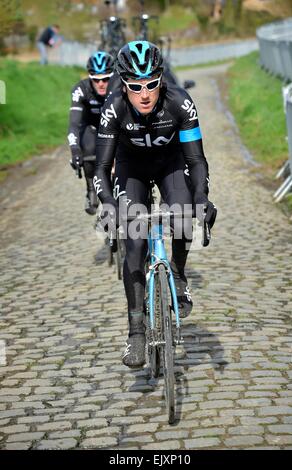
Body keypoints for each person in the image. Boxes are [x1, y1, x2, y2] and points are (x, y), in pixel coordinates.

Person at [94, 41, 217, 367]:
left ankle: (177, 273)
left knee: (183, 213)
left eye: (151, 84)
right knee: (134, 243)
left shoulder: (179, 102)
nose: (145, 93)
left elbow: (197, 160)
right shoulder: (114, 107)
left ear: (161, 79)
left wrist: (203, 198)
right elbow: (102, 169)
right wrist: (107, 204)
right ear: (124, 85)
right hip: (131, 168)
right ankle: (136, 332)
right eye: (135, 86)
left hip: (170, 164)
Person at [68, 51, 115, 215]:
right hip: (91, 127)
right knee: (88, 149)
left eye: (106, 78)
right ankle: (91, 189)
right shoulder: (81, 89)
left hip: (114, 126)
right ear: (89, 77)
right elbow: (74, 123)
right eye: (96, 79)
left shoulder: (120, 86)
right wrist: (74, 149)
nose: (101, 83)